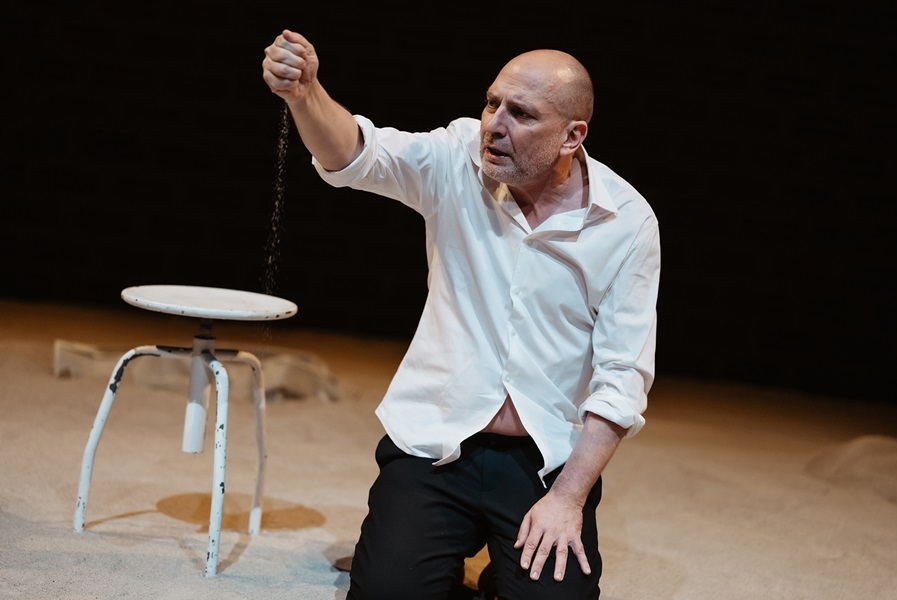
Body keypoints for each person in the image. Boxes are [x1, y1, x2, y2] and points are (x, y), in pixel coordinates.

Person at [262, 29, 660, 600]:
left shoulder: (626, 222)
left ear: (573, 136)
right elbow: (355, 154)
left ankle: (502, 570)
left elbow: (622, 376)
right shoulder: (458, 158)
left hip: (542, 458)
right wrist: (306, 96)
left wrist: (568, 497)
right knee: (389, 592)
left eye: (521, 113)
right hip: (437, 442)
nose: (494, 124)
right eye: (492, 103)